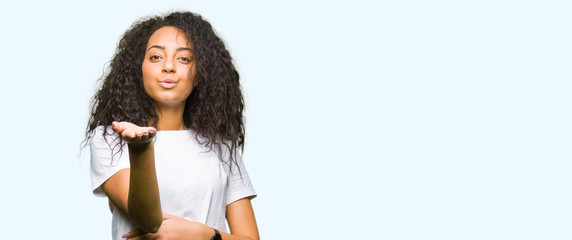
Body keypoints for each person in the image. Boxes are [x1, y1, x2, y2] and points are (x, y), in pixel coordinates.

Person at [85, 11, 259, 240]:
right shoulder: (111, 139)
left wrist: (202, 234)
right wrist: (140, 148)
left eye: (184, 59)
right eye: (156, 57)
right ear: (140, 68)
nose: (168, 66)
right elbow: (148, 219)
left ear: (200, 74)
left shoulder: (222, 147)